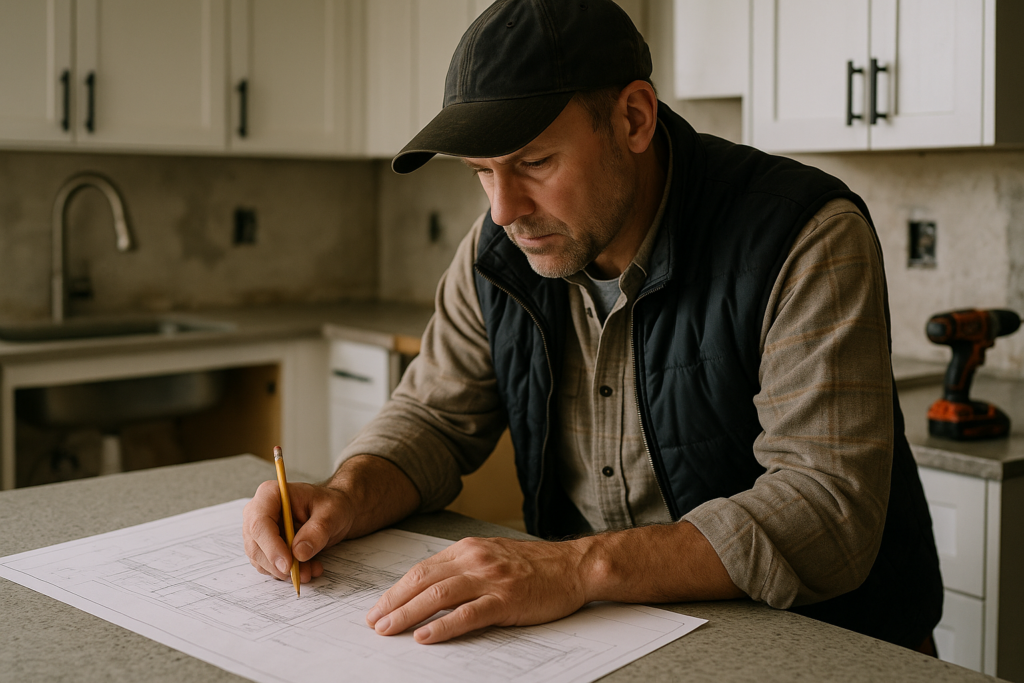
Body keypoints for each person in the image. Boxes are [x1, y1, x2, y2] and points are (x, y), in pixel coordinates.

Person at [244, 0, 942, 651]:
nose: (503, 209)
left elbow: (825, 511)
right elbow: (431, 418)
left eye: (535, 163)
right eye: (482, 172)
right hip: (606, 640)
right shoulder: (497, 252)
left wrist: (577, 567)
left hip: (814, 644)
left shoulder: (804, 236)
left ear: (634, 119)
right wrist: (344, 494)